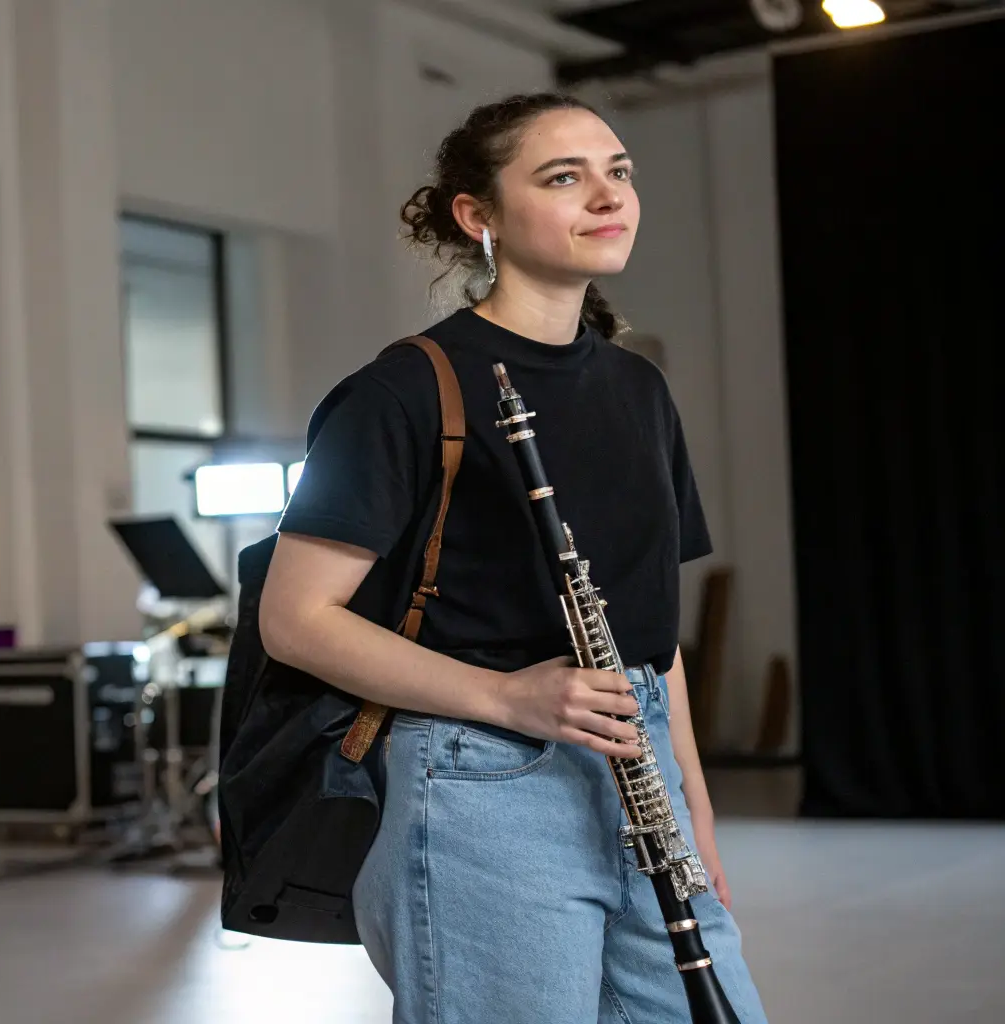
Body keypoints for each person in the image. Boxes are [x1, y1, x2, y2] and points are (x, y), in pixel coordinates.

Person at [258, 93, 769, 1023]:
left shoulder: (640, 389)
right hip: (481, 779)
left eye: (618, 172)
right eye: (564, 177)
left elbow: (651, 635)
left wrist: (692, 799)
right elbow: (294, 620)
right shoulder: (403, 389)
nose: (607, 196)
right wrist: (505, 696)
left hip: (639, 761)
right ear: (477, 214)